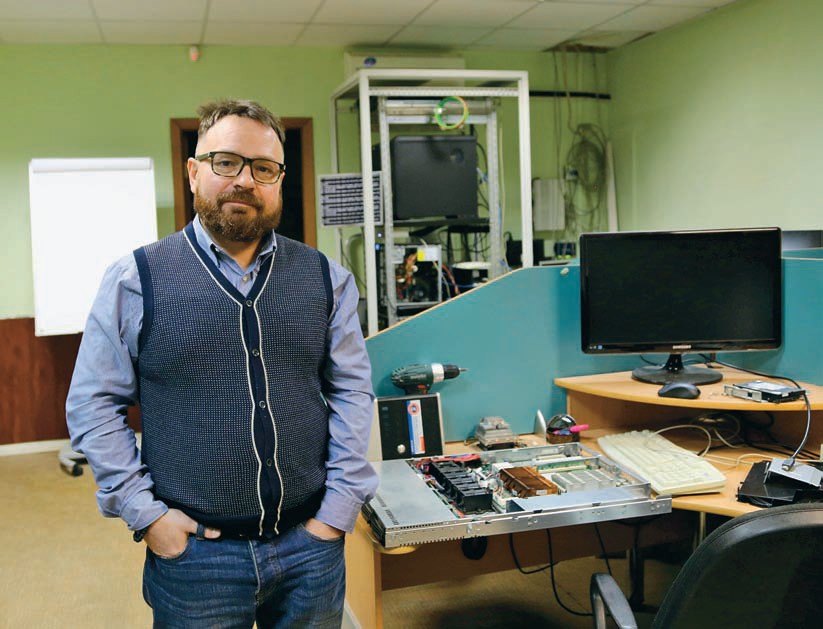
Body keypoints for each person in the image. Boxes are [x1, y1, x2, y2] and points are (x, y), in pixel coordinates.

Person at [66, 98, 378, 628]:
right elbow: (93, 406)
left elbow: (352, 391)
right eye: (226, 162)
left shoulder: (326, 278)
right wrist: (149, 517)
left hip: (310, 549)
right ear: (194, 172)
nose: (245, 181)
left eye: (264, 168)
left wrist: (337, 512)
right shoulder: (135, 280)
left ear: (279, 180)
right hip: (195, 558)